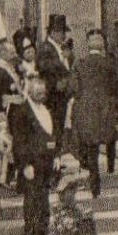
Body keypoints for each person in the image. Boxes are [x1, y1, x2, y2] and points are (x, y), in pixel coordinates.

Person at [68, 29, 118, 198]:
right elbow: (116, 90)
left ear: (88, 43)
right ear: (102, 44)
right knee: (107, 139)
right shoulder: (110, 64)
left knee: (91, 151)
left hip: (88, 112)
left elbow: (74, 89)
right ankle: (111, 167)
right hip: (105, 112)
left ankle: (95, 187)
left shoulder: (79, 63)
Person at [8, 75, 57, 235]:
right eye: (38, 92)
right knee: (32, 198)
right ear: (30, 92)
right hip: (32, 164)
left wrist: (56, 155)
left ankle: (43, 230)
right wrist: (25, 164)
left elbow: (52, 135)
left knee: (44, 198)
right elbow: (19, 142)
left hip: (47, 162)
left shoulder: (46, 109)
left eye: (43, 92)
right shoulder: (22, 111)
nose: (42, 95)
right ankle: (31, 232)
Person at [36, 15, 73, 149]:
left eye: (64, 32)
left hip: (61, 95)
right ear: (53, 32)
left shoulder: (59, 47)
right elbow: (44, 67)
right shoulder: (45, 47)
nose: (63, 35)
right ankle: (51, 158)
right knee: (52, 127)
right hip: (52, 95)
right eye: (61, 32)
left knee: (58, 128)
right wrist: (62, 61)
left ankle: (56, 158)